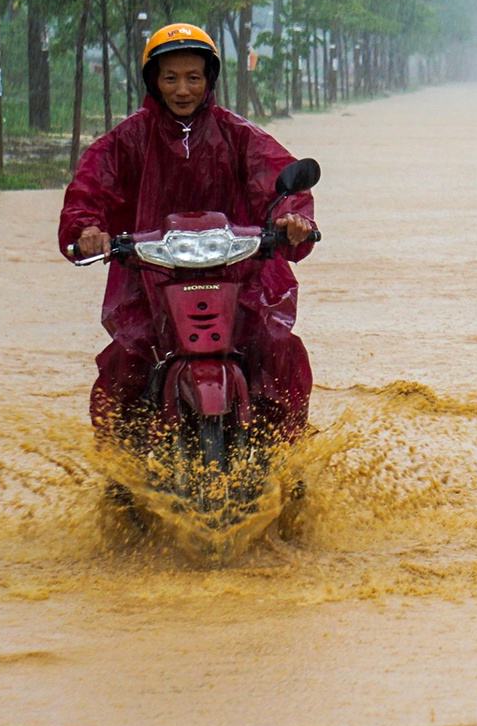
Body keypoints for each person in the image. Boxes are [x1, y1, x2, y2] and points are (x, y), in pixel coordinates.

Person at [57, 22, 316, 440]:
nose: (182, 90)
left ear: (209, 80)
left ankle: (289, 455)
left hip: (240, 277)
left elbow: (279, 180)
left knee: (279, 350)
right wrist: (87, 229)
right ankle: (120, 472)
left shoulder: (239, 135)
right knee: (125, 364)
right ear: (154, 81)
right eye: (171, 78)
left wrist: (293, 220)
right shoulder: (127, 140)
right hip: (150, 279)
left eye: (193, 78)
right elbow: (90, 190)